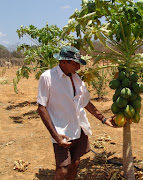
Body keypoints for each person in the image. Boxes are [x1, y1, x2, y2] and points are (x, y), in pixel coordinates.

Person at [37, 46, 115, 180]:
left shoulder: (77, 78)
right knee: (62, 169)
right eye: (75, 63)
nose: (78, 67)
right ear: (63, 62)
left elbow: (86, 102)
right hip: (61, 131)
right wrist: (56, 136)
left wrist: (103, 119)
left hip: (78, 128)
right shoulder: (47, 77)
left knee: (75, 163)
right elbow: (41, 108)